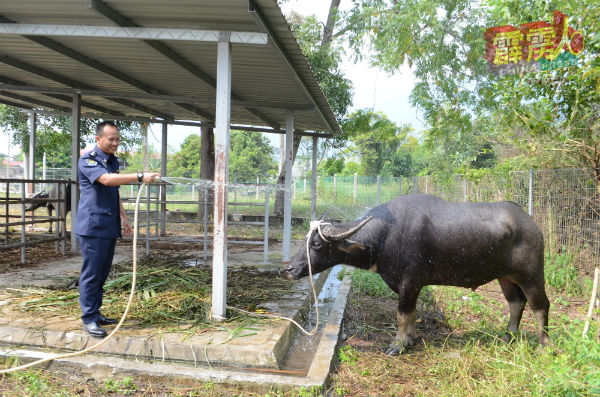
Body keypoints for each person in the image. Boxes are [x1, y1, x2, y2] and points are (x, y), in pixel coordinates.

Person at [75, 121, 160, 337]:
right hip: (93, 226)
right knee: (92, 274)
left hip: (108, 225)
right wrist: (139, 176)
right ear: (98, 139)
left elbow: (115, 191)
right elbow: (106, 180)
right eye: (111, 139)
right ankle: (89, 318)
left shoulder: (111, 161)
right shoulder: (88, 160)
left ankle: (96, 312)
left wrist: (123, 217)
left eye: (117, 139)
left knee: (102, 273)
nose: (115, 143)